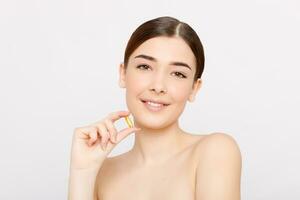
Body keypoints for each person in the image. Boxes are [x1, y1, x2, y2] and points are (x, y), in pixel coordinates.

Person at [68, 16, 242, 200]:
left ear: (194, 88)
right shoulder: (101, 173)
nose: (158, 86)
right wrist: (82, 172)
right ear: (123, 74)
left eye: (178, 73)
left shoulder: (215, 151)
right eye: (144, 66)